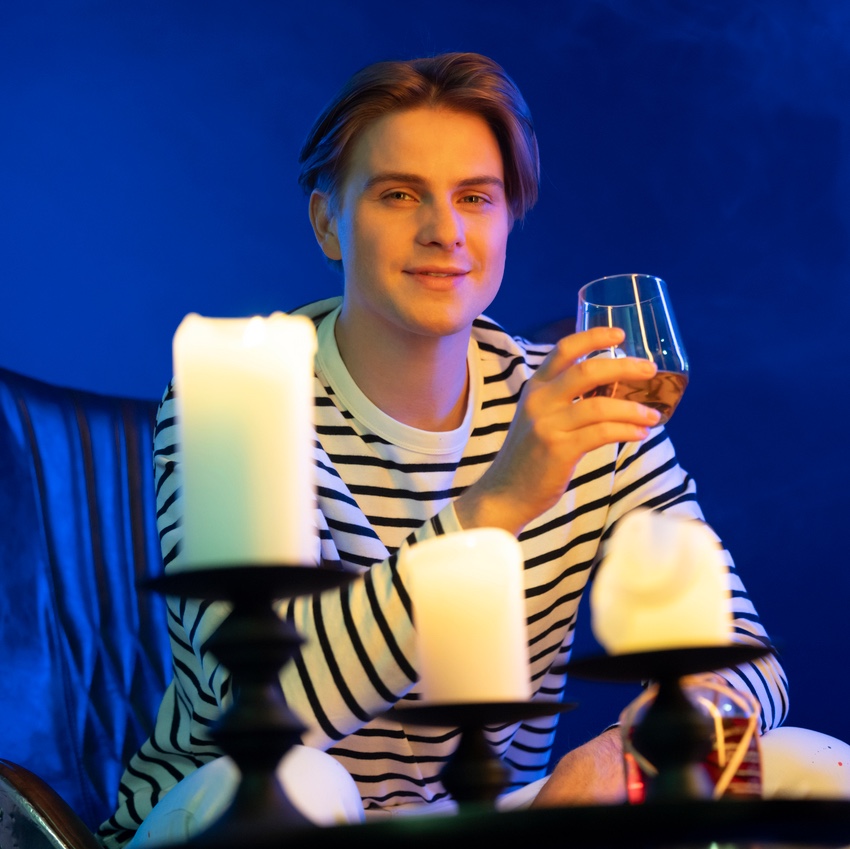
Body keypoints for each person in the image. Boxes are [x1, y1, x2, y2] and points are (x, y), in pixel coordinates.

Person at [97, 51, 841, 849]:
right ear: (327, 222)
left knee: (807, 765)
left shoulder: (580, 404)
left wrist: (629, 752)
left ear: (507, 220)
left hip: (482, 814)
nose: (443, 231)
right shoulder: (233, 399)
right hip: (234, 816)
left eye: (475, 198)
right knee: (298, 779)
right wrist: (499, 502)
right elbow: (263, 708)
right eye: (398, 194)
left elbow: (744, 662)